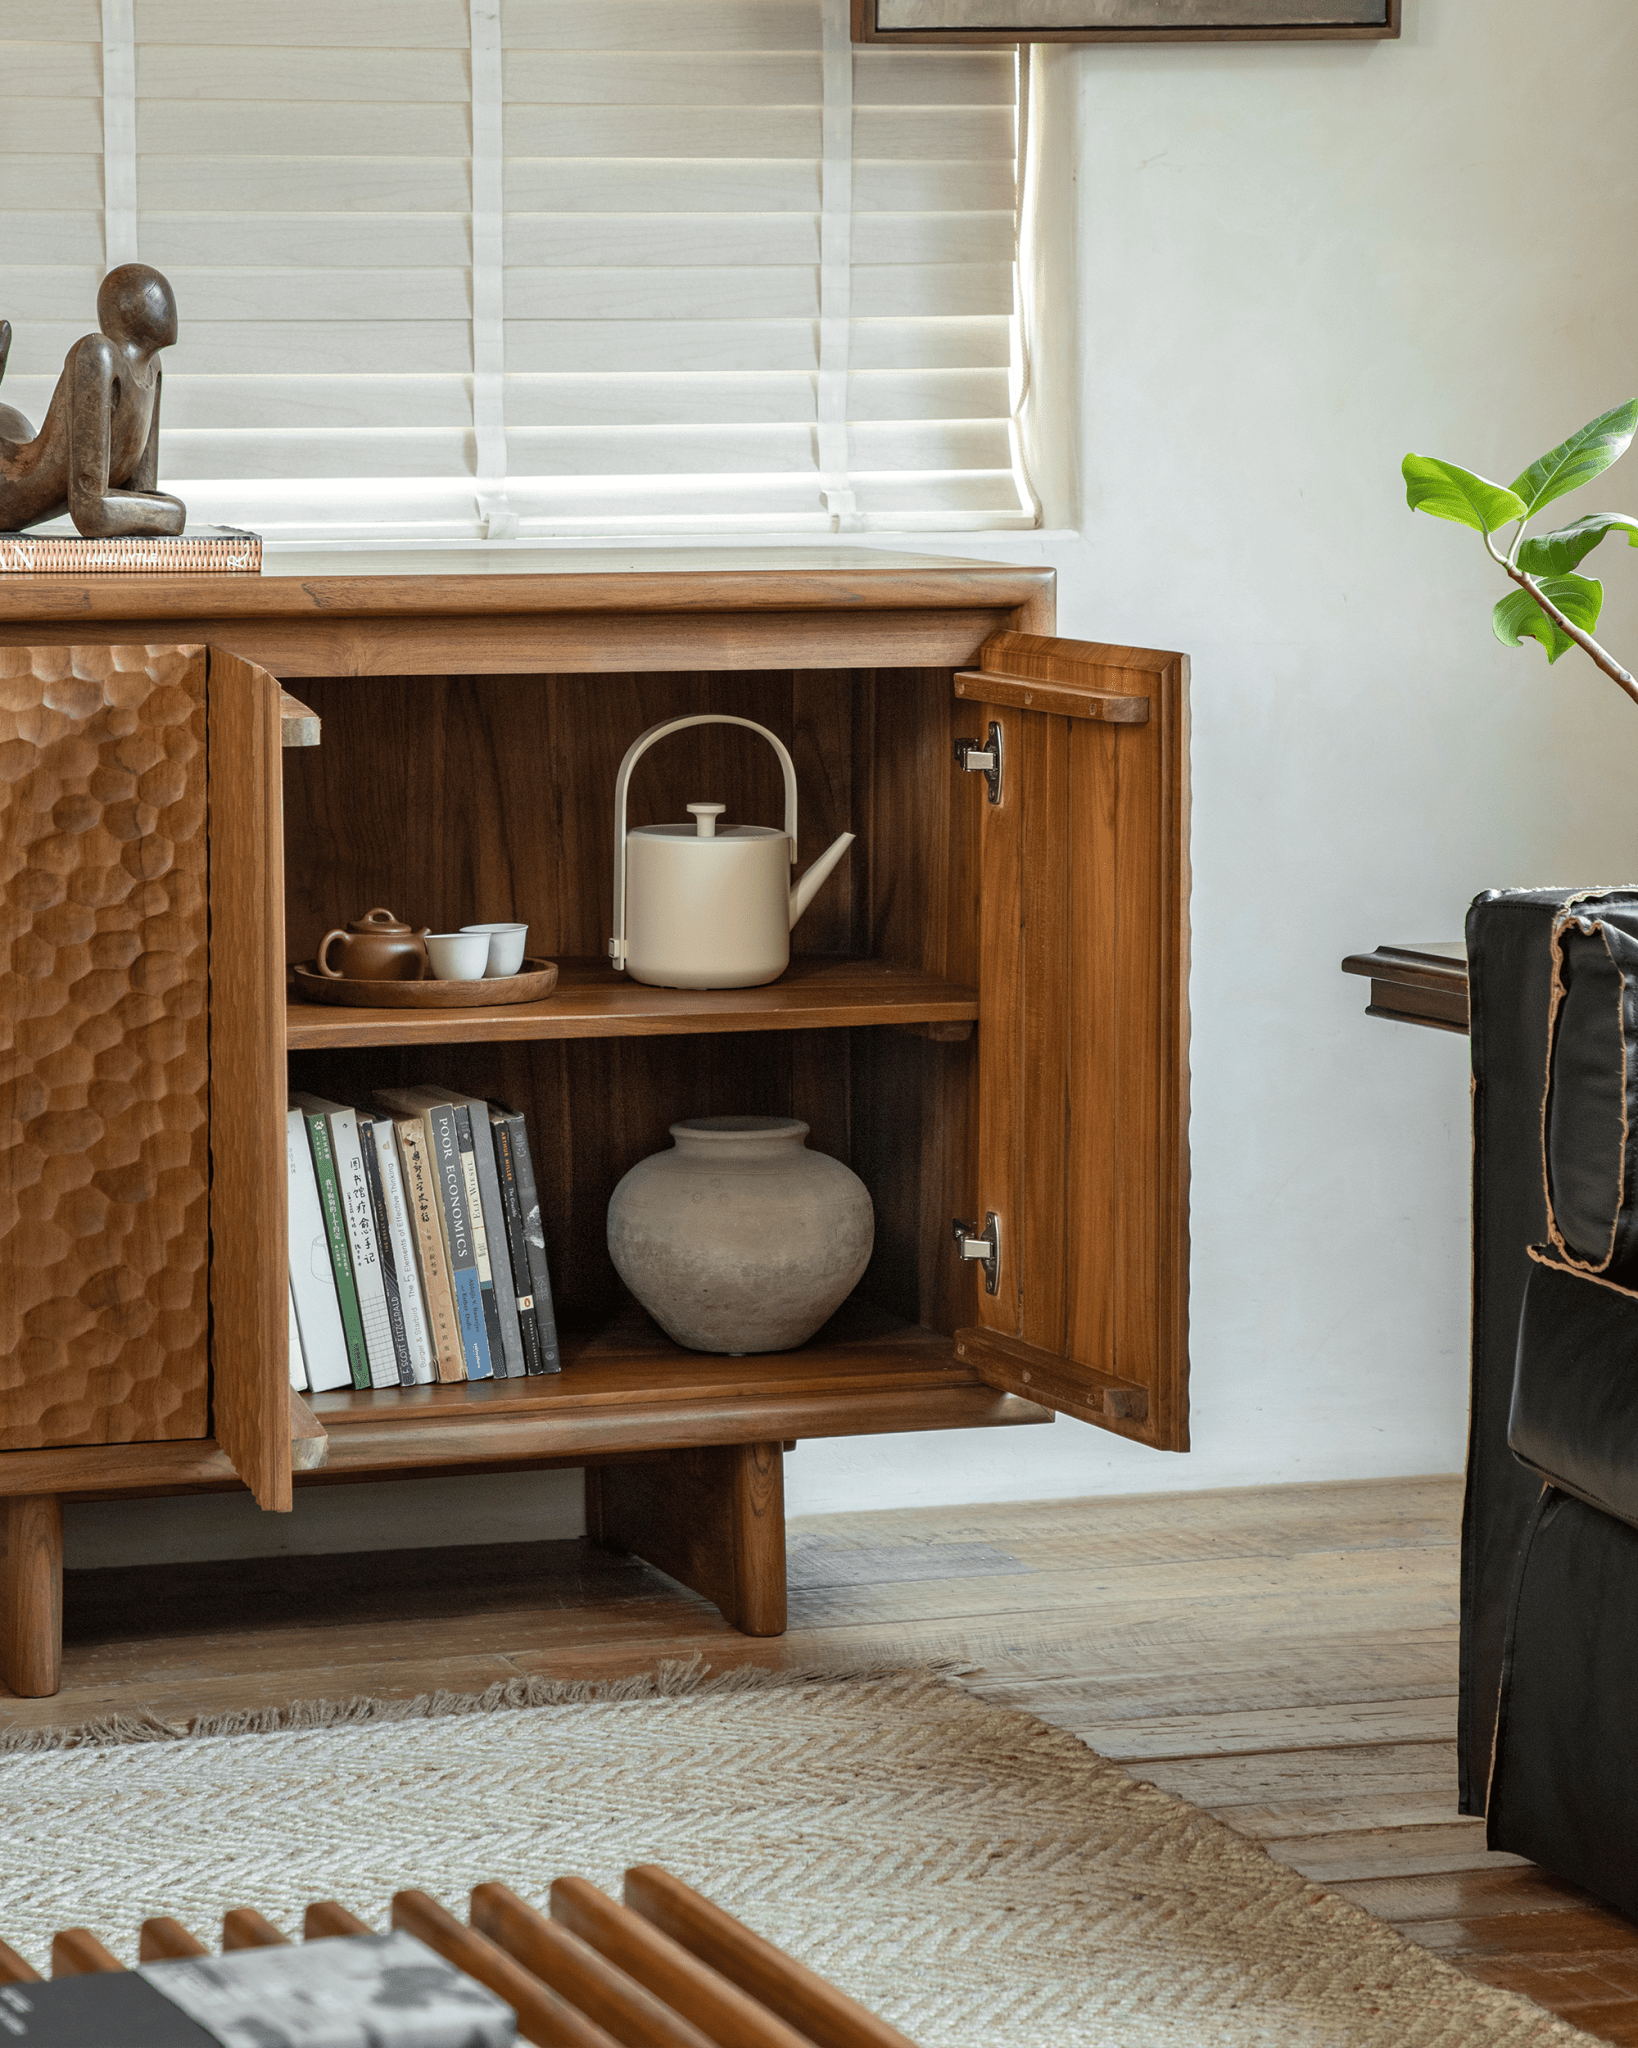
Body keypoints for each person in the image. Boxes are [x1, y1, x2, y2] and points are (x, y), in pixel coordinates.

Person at [0, 263, 186, 537]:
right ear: (126, 308)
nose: (170, 308)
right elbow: (91, 510)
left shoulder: (151, 369)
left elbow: (138, 495)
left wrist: (164, 511)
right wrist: (173, 511)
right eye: (156, 294)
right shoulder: (98, 354)